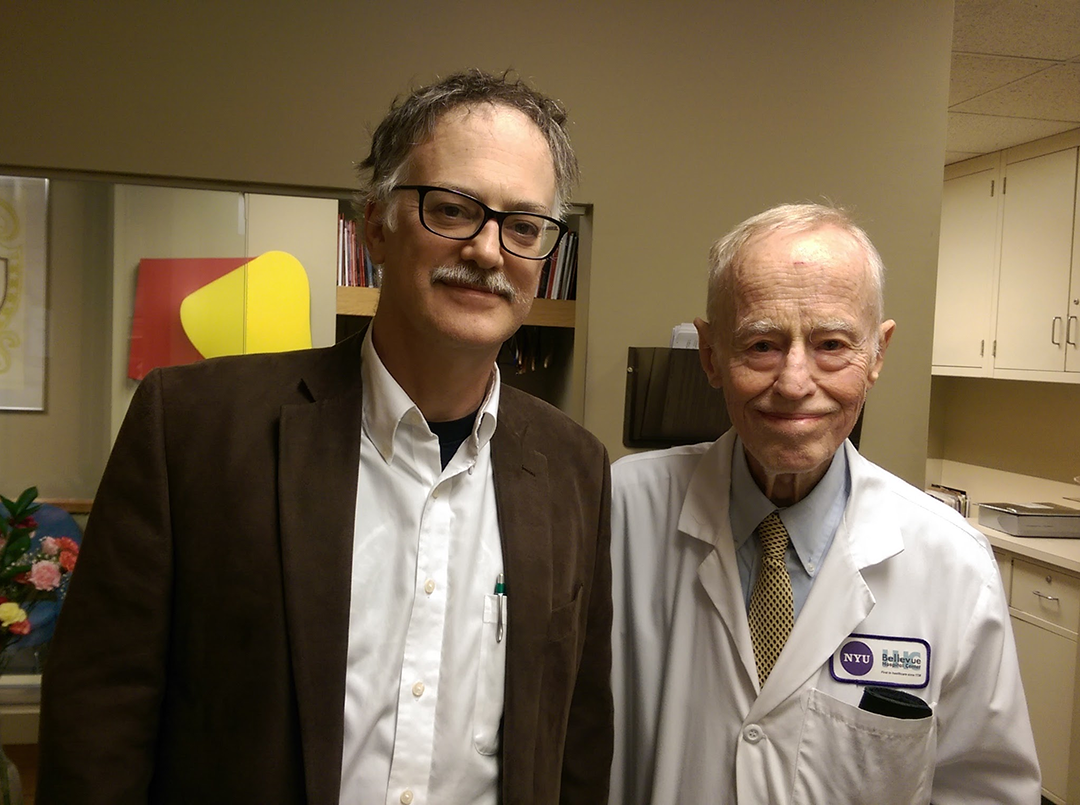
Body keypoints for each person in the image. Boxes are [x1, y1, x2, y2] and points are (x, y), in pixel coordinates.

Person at [38, 69, 613, 805]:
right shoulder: (191, 427)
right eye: (452, 209)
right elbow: (98, 721)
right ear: (377, 224)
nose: (489, 250)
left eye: (523, 225)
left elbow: (578, 741)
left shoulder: (575, 468)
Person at [609, 203, 1040, 804]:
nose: (793, 381)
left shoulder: (952, 562)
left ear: (878, 355)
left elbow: (984, 789)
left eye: (832, 344)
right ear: (709, 356)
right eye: (760, 344)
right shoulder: (618, 510)